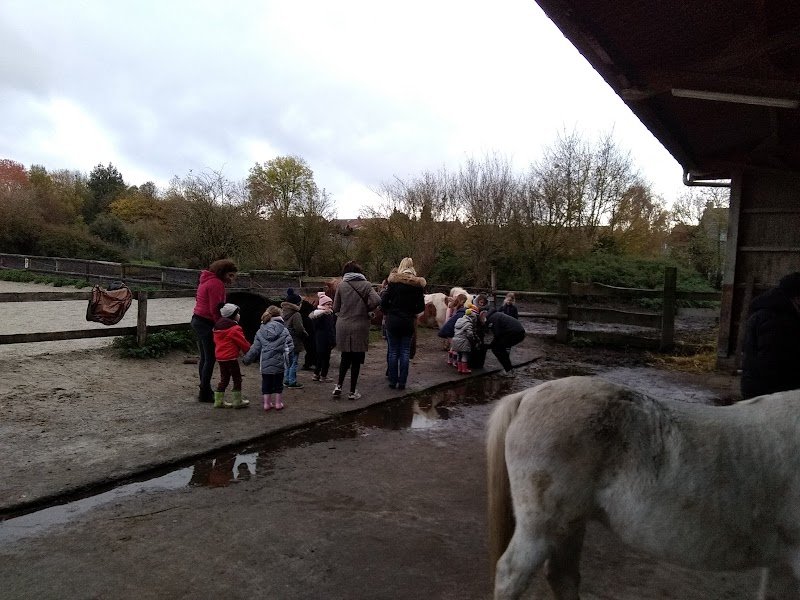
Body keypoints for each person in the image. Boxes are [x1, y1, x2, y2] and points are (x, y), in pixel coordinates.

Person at [741, 271, 800, 399]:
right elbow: (773, 363)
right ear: (797, 297)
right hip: (767, 395)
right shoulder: (777, 320)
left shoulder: (773, 312)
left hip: (761, 389)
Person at [332, 260, 381, 400]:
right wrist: (367, 308)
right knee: (356, 360)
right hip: (360, 325)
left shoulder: (341, 286)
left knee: (345, 358)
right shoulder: (366, 285)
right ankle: (352, 392)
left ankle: (338, 386)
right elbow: (377, 300)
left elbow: (335, 308)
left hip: (343, 325)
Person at [190, 259, 238, 402]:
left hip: (197, 320)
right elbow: (216, 309)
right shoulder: (216, 284)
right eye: (230, 275)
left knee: (205, 358)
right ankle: (205, 392)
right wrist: (222, 327)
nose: (232, 279)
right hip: (206, 322)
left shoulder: (205, 280)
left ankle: (204, 389)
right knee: (210, 358)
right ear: (222, 273)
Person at [380, 257, 426, 390]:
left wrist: (389, 311)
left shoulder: (393, 283)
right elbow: (421, 307)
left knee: (393, 351)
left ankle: (392, 381)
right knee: (405, 352)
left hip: (393, 321)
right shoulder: (417, 286)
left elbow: (383, 302)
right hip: (408, 322)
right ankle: (402, 382)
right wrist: (412, 312)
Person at [242, 305, 293, 411]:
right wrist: (289, 363)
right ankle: (278, 403)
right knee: (278, 384)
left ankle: (266, 404)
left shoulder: (260, 331)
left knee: (266, 383)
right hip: (279, 364)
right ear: (279, 316)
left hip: (265, 365)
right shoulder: (284, 331)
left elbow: (255, 349)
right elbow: (289, 348)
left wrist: (246, 360)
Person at [212, 303, 251, 408]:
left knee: (224, 378)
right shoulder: (234, 328)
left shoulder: (217, 327)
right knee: (237, 378)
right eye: (237, 313)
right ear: (232, 315)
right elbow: (242, 342)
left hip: (220, 357)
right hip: (231, 358)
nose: (239, 315)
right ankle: (237, 401)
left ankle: (218, 401)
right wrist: (250, 352)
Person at [479, 307, 526, 377]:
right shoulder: (494, 315)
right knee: (499, 348)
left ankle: (509, 370)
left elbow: (497, 334)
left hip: (514, 333)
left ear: (483, 315)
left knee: (497, 349)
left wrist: (488, 346)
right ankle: (509, 369)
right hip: (517, 332)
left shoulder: (492, 318)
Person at [281, 289, 307, 389]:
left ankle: (286, 379)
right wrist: (305, 334)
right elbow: (299, 328)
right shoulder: (296, 314)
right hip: (294, 341)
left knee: (287, 362)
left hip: (285, 340)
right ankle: (292, 381)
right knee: (294, 362)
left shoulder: (283, 312)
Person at [310, 291, 336, 382]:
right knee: (325, 359)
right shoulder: (325, 315)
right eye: (328, 304)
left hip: (320, 340)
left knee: (320, 358)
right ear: (323, 305)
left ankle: (316, 374)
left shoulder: (319, 315)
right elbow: (330, 330)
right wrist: (333, 340)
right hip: (325, 340)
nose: (330, 306)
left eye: (331, 304)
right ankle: (323, 376)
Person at [451, 308, 479, 374]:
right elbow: (470, 334)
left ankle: (459, 368)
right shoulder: (469, 324)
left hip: (455, 340)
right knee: (464, 355)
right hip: (464, 341)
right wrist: (472, 340)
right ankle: (464, 369)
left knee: (459, 355)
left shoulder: (459, 321)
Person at [444, 293, 468, 367]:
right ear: (460, 300)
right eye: (463, 301)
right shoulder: (457, 308)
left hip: (452, 326)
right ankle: (454, 361)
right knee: (455, 346)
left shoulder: (452, 306)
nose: (463, 303)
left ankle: (450, 360)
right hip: (454, 327)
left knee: (453, 345)